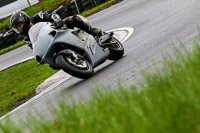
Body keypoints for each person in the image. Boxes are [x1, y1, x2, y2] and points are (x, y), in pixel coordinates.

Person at [10, 10, 103, 48]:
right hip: (52, 43)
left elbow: (52, 15)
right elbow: (35, 48)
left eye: (19, 25)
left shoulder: (37, 17)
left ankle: (92, 31)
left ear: (24, 19)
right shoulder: (27, 38)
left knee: (73, 19)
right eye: (17, 28)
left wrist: (57, 21)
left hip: (60, 29)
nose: (19, 28)